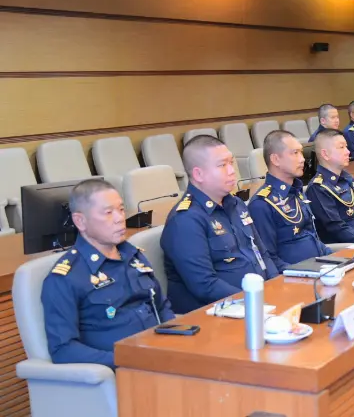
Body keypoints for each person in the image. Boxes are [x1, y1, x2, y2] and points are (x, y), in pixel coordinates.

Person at [42, 179, 174, 369]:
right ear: (80, 221)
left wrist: (177, 342)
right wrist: (124, 360)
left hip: (162, 356)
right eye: (108, 212)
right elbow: (63, 349)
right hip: (124, 371)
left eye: (121, 209)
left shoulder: (133, 256)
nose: (120, 218)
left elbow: (161, 307)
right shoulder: (66, 277)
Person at [161, 136, 278, 314]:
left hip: (257, 302)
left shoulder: (236, 204)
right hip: (217, 313)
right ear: (198, 174)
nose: (232, 171)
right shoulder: (185, 220)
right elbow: (205, 286)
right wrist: (255, 301)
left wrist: (277, 288)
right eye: (222, 165)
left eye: (231, 162)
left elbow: (262, 254)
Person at [249, 130, 331, 269]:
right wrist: (304, 273)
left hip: (320, 266)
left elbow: (312, 237)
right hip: (296, 275)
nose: (302, 159)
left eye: (301, 152)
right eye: (295, 153)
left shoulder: (296, 191)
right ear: (275, 159)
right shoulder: (262, 204)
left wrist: (337, 260)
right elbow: (269, 259)